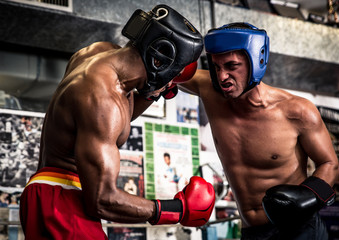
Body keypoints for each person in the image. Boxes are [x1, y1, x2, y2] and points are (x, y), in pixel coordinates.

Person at [19, 5, 215, 239]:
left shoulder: (97, 56)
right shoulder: (103, 96)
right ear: (161, 60)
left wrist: (153, 93)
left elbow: (115, 122)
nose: (172, 83)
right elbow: (101, 199)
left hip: (48, 192)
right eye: (175, 74)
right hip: (64, 199)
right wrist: (176, 210)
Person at [178, 22, 339, 239]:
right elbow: (162, 68)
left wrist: (309, 195)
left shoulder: (297, 111)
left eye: (231, 66)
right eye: (216, 67)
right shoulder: (208, 89)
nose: (222, 76)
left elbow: (330, 164)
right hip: (251, 231)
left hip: (298, 228)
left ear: (256, 60)